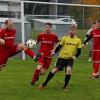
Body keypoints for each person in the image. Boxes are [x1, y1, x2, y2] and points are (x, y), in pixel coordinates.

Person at [38, 24, 81, 90]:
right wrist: (54, 52)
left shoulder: (78, 40)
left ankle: (65, 86)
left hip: (70, 59)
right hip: (61, 58)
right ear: (69, 31)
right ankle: (45, 83)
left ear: (75, 31)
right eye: (70, 30)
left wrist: (75, 56)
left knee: (69, 71)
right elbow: (59, 46)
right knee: (54, 70)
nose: (71, 32)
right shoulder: (65, 38)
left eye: (73, 30)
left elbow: (79, 51)